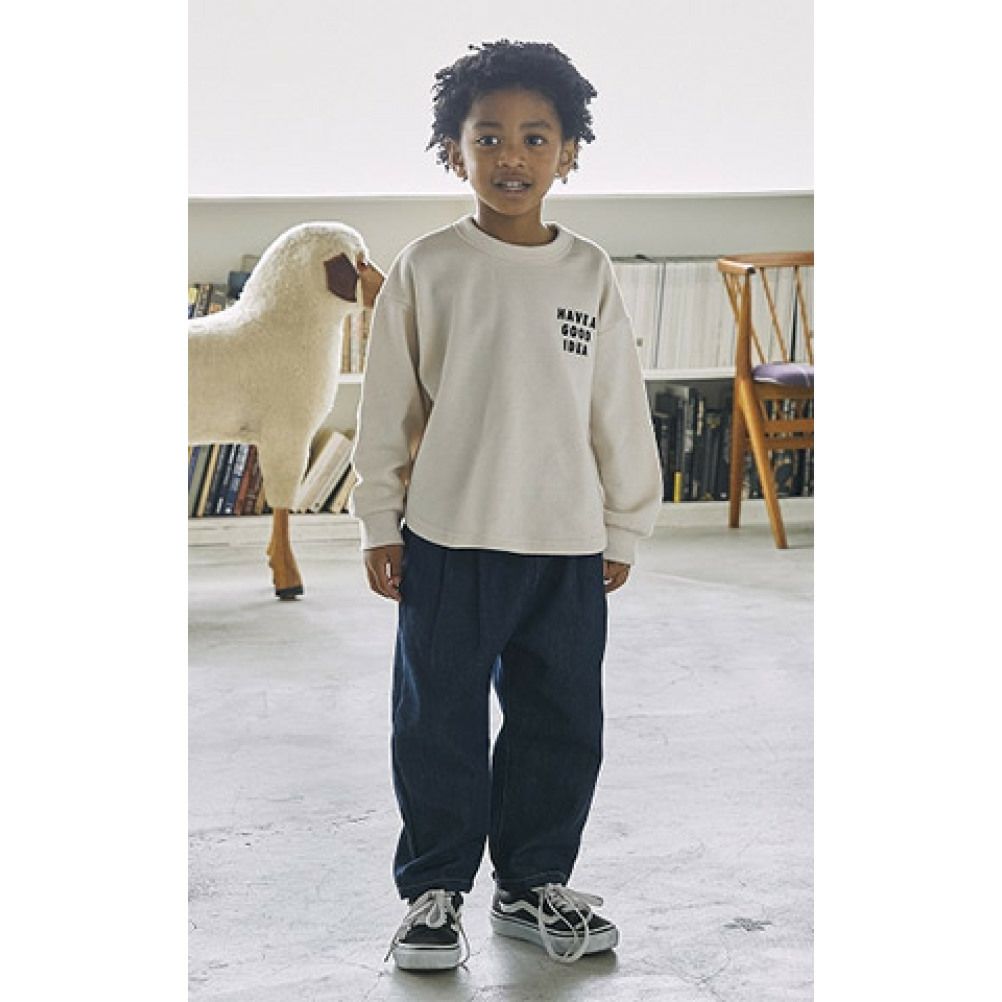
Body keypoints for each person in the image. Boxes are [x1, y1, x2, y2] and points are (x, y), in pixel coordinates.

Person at [348, 38, 662, 971]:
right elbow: (388, 408)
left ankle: (532, 885)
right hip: (448, 539)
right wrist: (379, 520)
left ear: (569, 153)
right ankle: (435, 891)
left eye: (535, 137)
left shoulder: (588, 271)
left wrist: (624, 522)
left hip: (565, 543)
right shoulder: (427, 267)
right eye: (488, 138)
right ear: (455, 152)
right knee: (435, 720)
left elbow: (616, 406)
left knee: (559, 721)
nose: (511, 157)